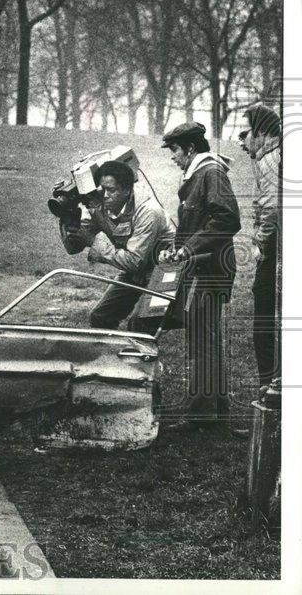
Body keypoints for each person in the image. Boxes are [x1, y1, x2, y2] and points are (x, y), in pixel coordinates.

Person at [156, 122, 242, 432]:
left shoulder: (210, 173)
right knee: (204, 337)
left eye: (175, 150)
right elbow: (197, 223)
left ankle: (202, 415)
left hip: (211, 269)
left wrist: (189, 249)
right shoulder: (198, 175)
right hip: (200, 267)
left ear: (191, 148)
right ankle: (215, 413)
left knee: (202, 338)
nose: (173, 157)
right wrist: (175, 250)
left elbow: (228, 218)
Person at [59, 160, 174, 331]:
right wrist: (67, 216)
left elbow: (134, 261)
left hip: (165, 269)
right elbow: (73, 248)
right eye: (102, 189)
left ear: (127, 189)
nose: (105, 195)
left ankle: (142, 357)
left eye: (111, 190)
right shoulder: (100, 205)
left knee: (140, 323)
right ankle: (107, 356)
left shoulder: (148, 211)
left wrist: (92, 242)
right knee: (100, 316)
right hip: (137, 270)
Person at [241, 103, 281, 389]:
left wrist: (260, 244)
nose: (243, 140)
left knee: (264, 321)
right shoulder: (270, 157)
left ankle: (270, 391)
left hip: (274, 249)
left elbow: (271, 207)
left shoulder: (270, 160)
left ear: (261, 132)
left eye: (248, 132)